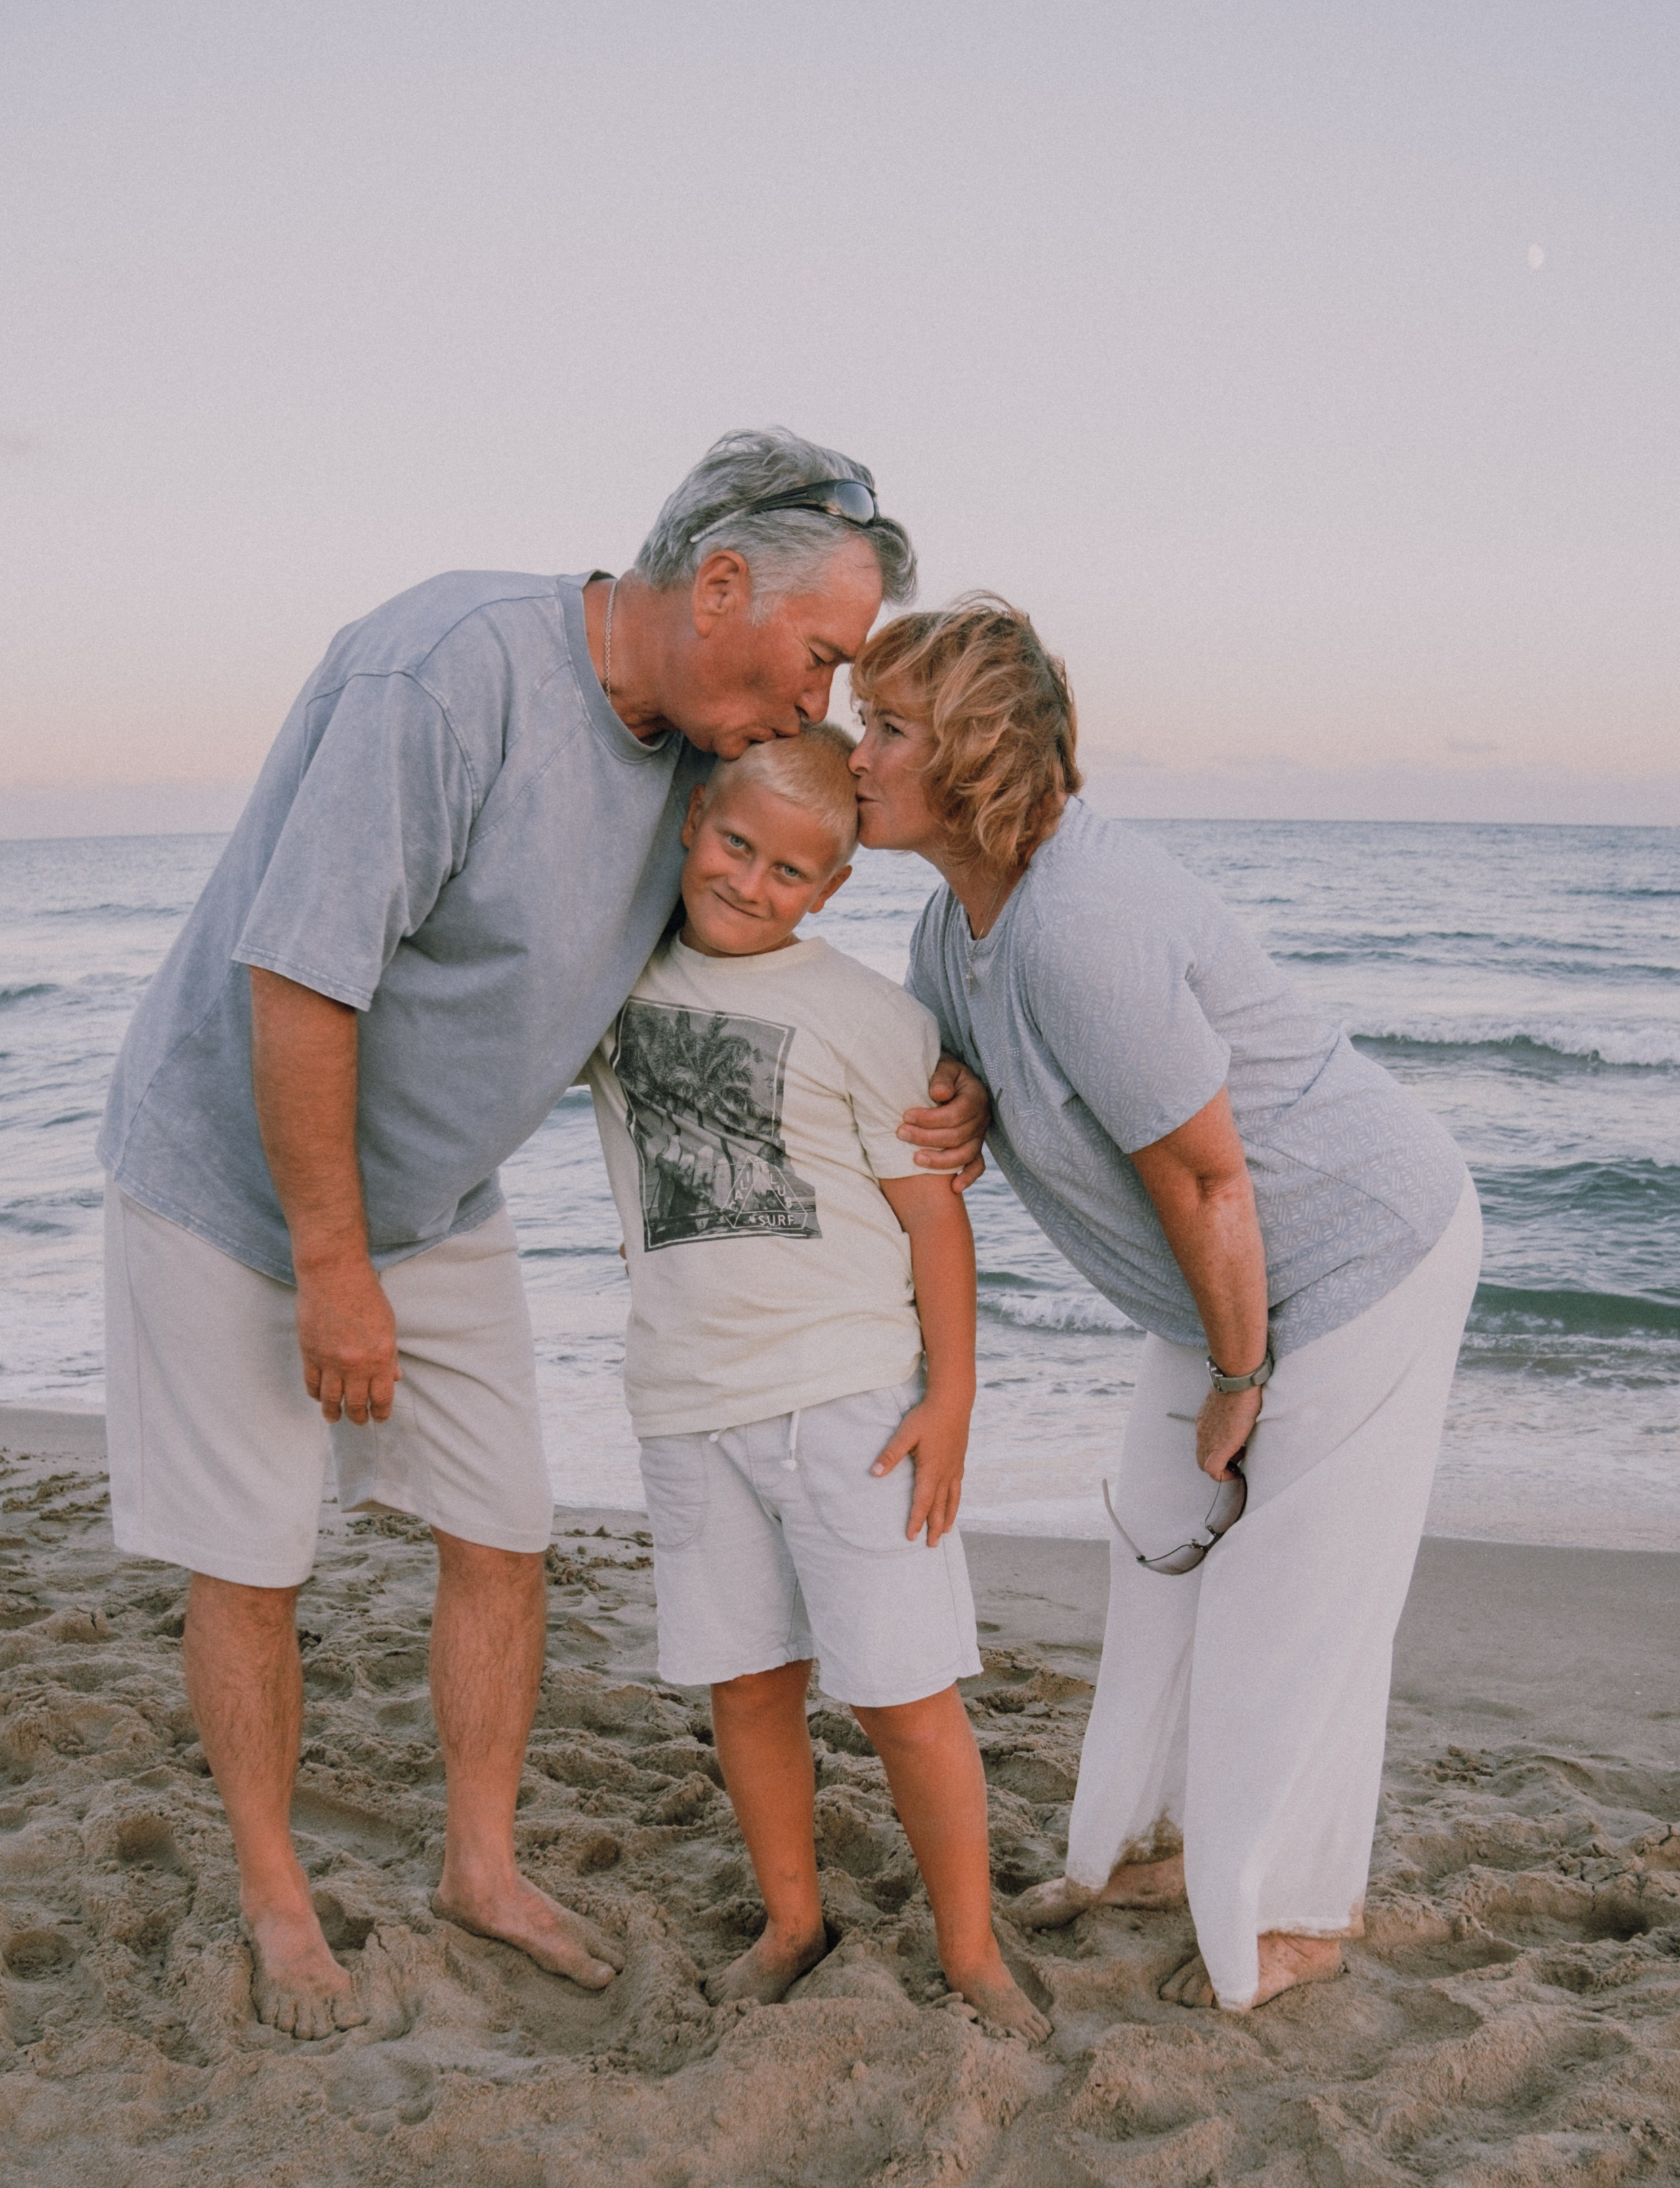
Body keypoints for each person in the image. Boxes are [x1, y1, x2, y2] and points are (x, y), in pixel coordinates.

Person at [96, 429, 990, 2041]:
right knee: (255, 1556)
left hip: (436, 1199)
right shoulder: (443, 675)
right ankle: (277, 1899)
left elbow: (749, 958)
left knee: (505, 1530)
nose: (822, 708)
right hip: (239, 1183)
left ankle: (482, 1866)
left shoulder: (699, 763)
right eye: (820, 659)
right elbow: (295, 976)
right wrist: (329, 1263)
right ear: (718, 585)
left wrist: (946, 1099)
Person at [847, 597, 1482, 2015]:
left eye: (884, 729)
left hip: (1351, 1251)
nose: (856, 757)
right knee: (1160, 1550)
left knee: (1291, 1594)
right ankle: (1142, 1849)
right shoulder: (951, 928)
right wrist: (961, 1093)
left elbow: (1206, 1181)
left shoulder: (1083, 925)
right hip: (1226, 1288)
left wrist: (1239, 1374)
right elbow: (990, 1062)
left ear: (974, 757)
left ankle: (1294, 1913)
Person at [586, 726, 1049, 2040]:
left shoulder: (864, 1016)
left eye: (792, 870)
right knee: (746, 1683)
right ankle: (794, 1921)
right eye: (735, 845)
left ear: (831, 889)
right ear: (690, 827)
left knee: (902, 1691)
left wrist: (950, 1394)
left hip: (849, 1402)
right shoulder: (609, 989)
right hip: (683, 1401)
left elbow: (933, 1222)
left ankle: (969, 1951)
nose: (752, 882)